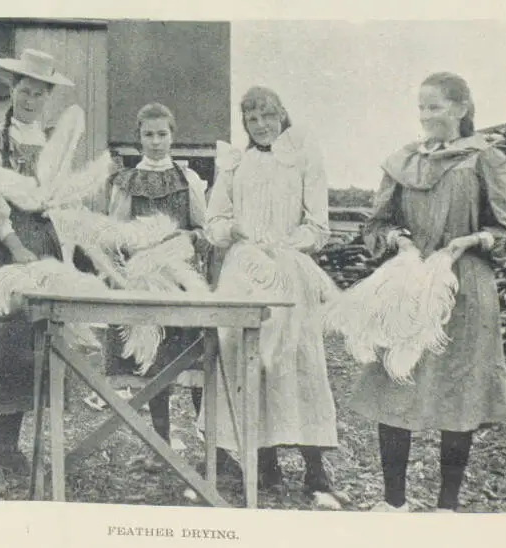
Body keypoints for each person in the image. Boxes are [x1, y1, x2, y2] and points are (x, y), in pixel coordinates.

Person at [349, 72, 506, 512]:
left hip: (463, 289)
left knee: (458, 394)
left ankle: (446, 507)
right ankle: (394, 505)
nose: (426, 115)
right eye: (422, 107)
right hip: (409, 284)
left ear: (462, 109)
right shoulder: (404, 162)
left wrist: (470, 241)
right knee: (394, 384)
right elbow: (376, 224)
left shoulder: (485, 159)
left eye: (436, 106)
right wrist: (400, 242)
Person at [0, 49, 90, 495]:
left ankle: (13, 449)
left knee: (30, 350)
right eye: (24, 92)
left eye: (39, 94)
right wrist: (14, 243)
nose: (30, 100)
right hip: (3, 250)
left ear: (47, 98)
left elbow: (65, 201)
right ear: (12, 90)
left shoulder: (51, 145)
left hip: (42, 251)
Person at [205, 86, 342, 508]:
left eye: (268, 115)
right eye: (252, 119)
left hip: (286, 266)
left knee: (294, 360)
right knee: (246, 359)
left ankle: (315, 470)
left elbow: (318, 225)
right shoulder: (234, 162)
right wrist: (236, 233)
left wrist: (284, 243)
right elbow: (214, 221)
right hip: (243, 270)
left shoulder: (302, 156)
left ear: (283, 115)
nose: (261, 125)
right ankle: (263, 463)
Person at [97, 103, 211, 471]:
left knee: (193, 362)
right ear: (139, 137)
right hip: (144, 279)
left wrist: (187, 239)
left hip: (181, 281)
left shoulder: (188, 179)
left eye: (163, 134)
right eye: (149, 134)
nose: (157, 142)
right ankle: (160, 447)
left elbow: (203, 231)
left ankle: (211, 448)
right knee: (154, 363)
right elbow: (113, 234)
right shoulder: (127, 181)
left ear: (173, 136)